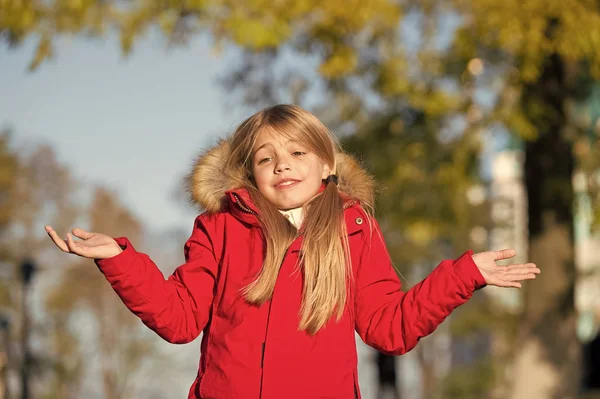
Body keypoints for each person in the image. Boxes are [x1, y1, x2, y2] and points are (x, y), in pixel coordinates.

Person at [45, 104, 540, 399]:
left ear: (325, 163)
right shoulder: (220, 229)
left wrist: (463, 275)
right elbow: (178, 319)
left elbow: (390, 327)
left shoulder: (353, 230)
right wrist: (118, 258)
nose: (283, 166)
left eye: (298, 153)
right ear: (250, 173)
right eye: (267, 158)